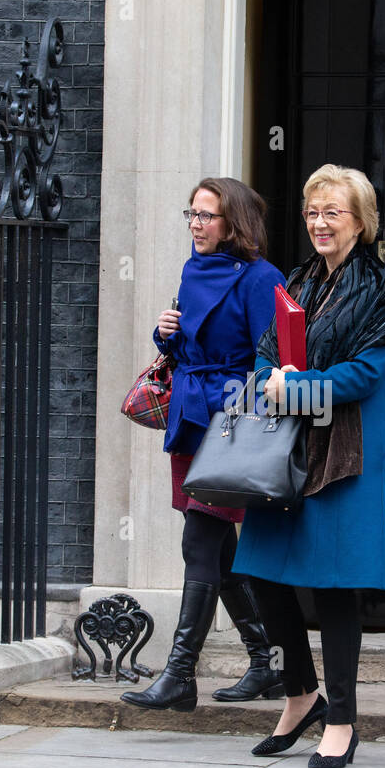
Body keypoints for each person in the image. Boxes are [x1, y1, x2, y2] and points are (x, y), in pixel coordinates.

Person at [232, 164, 385, 768]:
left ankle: (341, 718)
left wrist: (295, 389)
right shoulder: (298, 280)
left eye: (332, 212)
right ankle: (298, 692)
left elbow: (365, 377)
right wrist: (271, 384)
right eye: (312, 212)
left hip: (349, 450)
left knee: (335, 584)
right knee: (261, 569)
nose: (319, 222)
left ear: (360, 223)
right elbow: (262, 358)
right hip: (286, 448)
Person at [121, 178, 288, 712]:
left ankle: (179, 675)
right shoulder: (194, 270)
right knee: (218, 547)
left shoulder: (262, 279)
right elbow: (191, 347)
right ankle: (266, 662)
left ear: (233, 223)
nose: (195, 224)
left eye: (206, 215)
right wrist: (166, 332)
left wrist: (238, 405)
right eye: (190, 213)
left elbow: (275, 358)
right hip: (193, 418)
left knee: (200, 540)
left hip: (231, 422)